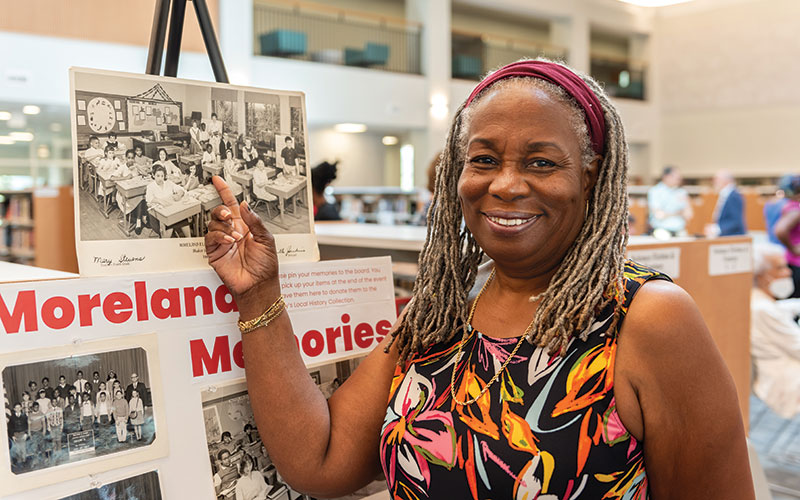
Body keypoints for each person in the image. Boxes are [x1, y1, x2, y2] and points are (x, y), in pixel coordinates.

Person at [204, 59, 755, 499]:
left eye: (542, 163)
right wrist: (258, 292)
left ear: (590, 178)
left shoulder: (647, 319)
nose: (506, 185)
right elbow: (318, 461)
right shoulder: (441, 312)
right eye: (484, 159)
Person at [750, 242, 800, 419]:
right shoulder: (763, 310)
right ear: (761, 276)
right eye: (780, 268)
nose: (788, 272)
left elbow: (782, 309)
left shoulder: (760, 301)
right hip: (786, 381)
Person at [647, 166, 693, 237]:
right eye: (675, 176)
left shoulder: (682, 192)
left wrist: (668, 214)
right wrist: (678, 213)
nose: (679, 179)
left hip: (680, 231)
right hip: (661, 231)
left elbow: (688, 215)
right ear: (666, 176)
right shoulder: (655, 191)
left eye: (679, 177)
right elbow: (658, 215)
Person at [145, 164, 190, 238]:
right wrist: (159, 200)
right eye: (158, 176)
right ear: (153, 175)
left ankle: (189, 239)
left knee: (183, 218)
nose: (160, 178)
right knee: (168, 222)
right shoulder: (150, 187)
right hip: (159, 216)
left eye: (162, 176)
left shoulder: (168, 183)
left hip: (172, 210)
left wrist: (179, 194)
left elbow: (181, 189)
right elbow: (149, 199)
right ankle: (166, 242)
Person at [774, 179, 800, 298]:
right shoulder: (795, 210)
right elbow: (780, 230)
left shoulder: (791, 206)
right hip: (797, 262)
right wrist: (793, 248)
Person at [705, 169, 746, 237]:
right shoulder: (725, 194)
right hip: (726, 237)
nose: (714, 182)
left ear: (726, 180)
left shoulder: (734, 196)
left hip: (734, 238)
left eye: (716, 179)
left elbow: (736, 221)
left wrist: (717, 229)